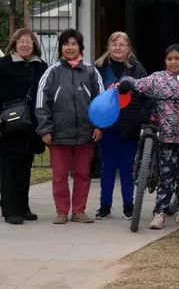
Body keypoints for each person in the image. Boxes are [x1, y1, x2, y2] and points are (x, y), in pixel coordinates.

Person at [118, 44, 179, 229]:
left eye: (177, 58)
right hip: (167, 137)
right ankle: (159, 213)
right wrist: (127, 82)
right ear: (165, 61)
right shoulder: (158, 78)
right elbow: (139, 83)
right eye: (169, 59)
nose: (173, 62)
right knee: (166, 175)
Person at [35, 29, 104, 224]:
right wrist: (45, 129)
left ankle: (79, 211)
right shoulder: (52, 72)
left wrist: (99, 126)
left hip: (86, 133)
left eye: (74, 44)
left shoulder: (91, 71)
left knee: (83, 174)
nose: (70, 47)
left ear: (80, 47)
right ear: (61, 48)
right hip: (58, 134)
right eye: (66, 44)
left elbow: (101, 102)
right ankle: (62, 211)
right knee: (59, 176)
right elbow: (41, 102)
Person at [93, 32, 152, 220]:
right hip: (106, 126)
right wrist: (96, 124)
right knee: (107, 167)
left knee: (127, 168)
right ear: (108, 47)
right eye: (114, 44)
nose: (118, 47)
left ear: (128, 48)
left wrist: (141, 117)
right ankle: (105, 206)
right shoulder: (99, 68)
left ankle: (128, 205)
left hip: (129, 126)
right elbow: (92, 96)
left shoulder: (137, 69)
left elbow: (148, 94)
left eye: (122, 44)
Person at [0, 29, 47, 225]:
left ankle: (23, 206)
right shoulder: (4, 64)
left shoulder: (41, 66)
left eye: (29, 41)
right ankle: (10, 210)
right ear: (14, 44)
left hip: (31, 124)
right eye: (21, 41)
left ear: (34, 45)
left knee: (26, 166)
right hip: (9, 123)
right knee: (10, 167)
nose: (25, 44)